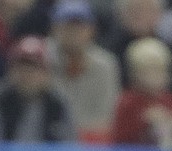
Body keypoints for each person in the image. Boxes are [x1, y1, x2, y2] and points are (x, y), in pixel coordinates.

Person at [0, 35, 75, 142]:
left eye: (34, 68)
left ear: (47, 74)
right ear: (10, 70)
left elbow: (66, 150)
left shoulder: (58, 105)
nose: (27, 74)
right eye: (20, 66)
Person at [47, 0, 121, 142]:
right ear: (54, 28)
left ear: (92, 30)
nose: (74, 32)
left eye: (80, 26)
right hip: (47, 141)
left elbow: (106, 116)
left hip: (90, 143)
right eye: (68, 26)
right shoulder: (40, 58)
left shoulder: (105, 65)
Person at [110, 36, 172, 148]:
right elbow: (119, 139)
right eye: (149, 70)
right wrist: (143, 121)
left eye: (161, 69)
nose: (156, 76)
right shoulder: (127, 102)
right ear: (135, 73)